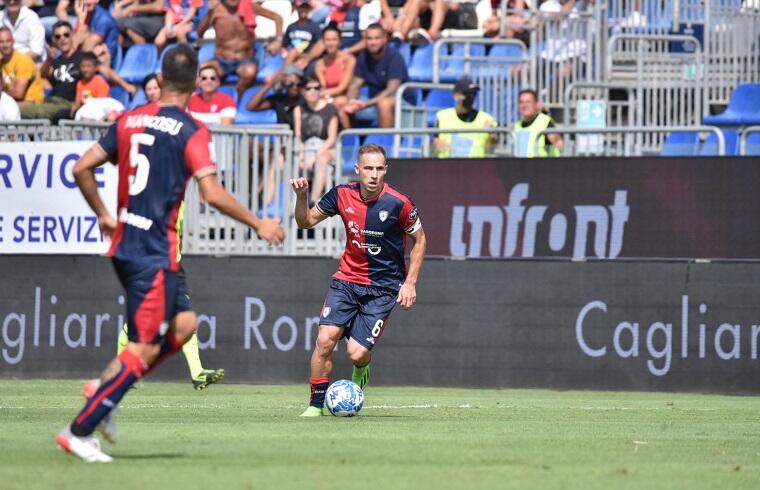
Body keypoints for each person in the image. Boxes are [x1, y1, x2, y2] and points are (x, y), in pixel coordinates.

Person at [57, 44, 285, 463]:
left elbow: (80, 168)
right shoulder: (191, 130)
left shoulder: (128, 119)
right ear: (197, 82)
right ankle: (80, 428)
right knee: (145, 348)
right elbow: (211, 192)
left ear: (159, 79)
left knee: (183, 324)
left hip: (126, 243)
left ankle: (106, 387)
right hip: (154, 252)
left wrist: (105, 214)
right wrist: (259, 223)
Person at [290, 143, 426, 417]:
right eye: (368, 169)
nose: (374, 175)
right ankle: (315, 406)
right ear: (357, 170)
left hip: (383, 288)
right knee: (325, 340)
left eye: (379, 169)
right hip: (346, 281)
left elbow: (420, 240)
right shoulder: (341, 194)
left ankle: (362, 368)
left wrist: (410, 282)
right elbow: (305, 223)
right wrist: (302, 197)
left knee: (356, 353)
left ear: (385, 170)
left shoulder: (399, 203)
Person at [196, 0, 279, 98]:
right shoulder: (216, 10)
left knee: (249, 72)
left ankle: (234, 98)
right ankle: (204, 104)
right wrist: (210, 12)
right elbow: (199, 33)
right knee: (203, 70)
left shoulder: (249, 6)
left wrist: (278, 40)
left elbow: (277, 18)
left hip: (245, 59)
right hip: (221, 60)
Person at [342, 22, 411, 128]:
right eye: (369, 39)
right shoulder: (363, 56)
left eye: (376, 38)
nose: (373, 42)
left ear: (385, 39)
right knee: (341, 104)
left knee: (384, 104)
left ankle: (386, 142)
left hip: (402, 104)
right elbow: (355, 84)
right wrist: (352, 102)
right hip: (373, 102)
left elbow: (391, 91)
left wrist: (366, 104)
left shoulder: (394, 58)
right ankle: (349, 142)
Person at [20, 20, 82, 121]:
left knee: (34, 112)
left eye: (66, 35)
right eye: (58, 36)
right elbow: (44, 74)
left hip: (68, 104)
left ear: (73, 35)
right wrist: (49, 58)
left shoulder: (82, 58)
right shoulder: (55, 61)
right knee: (17, 111)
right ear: (54, 40)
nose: (62, 39)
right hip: (52, 101)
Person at [293, 77, 338, 205]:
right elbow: (298, 136)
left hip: (327, 148)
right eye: (308, 88)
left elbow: (332, 138)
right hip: (306, 147)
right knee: (284, 161)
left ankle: (313, 202)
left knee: (321, 160)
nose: (313, 91)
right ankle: (277, 205)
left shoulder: (330, 108)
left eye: (316, 88)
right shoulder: (298, 109)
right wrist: (301, 155)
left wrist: (316, 155)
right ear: (303, 91)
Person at [433, 77, 497, 158]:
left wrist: (492, 135)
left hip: (476, 167)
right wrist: (437, 144)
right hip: (448, 166)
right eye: (467, 93)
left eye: (474, 93)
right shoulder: (443, 116)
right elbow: (435, 143)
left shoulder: (486, 119)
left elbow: (491, 147)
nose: (471, 97)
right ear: (456, 96)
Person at [313, 24, 355, 126]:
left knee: (338, 104)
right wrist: (323, 95)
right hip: (327, 97)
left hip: (346, 96)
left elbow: (343, 87)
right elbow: (322, 86)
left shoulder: (349, 60)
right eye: (327, 40)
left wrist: (324, 95)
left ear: (339, 41)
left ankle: (347, 138)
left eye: (334, 39)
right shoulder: (319, 63)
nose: (331, 43)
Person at [59, 0, 119, 64]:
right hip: (87, 57)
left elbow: (87, 47)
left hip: (104, 60)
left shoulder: (104, 19)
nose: (87, 2)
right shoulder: (84, 14)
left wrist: (80, 21)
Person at [246, 63, 304, 129]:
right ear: (284, 85)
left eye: (298, 84)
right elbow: (251, 106)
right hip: (283, 137)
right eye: (290, 84)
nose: (294, 87)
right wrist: (270, 84)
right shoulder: (279, 99)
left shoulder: (306, 101)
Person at [0, 27, 44, 104]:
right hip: (12, 102)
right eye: (1, 42)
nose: (5, 45)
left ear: (13, 42)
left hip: (31, 102)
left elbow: (18, 94)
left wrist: (2, 91)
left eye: (8, 41)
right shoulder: (1, 63)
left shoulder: (22, 61)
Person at [514, 88, 562, 157]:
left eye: (528, 102)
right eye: (521, 102)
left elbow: (559, 146)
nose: (524, 105)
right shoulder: (517, 125)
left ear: (537, 104)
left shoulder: (545, 122)